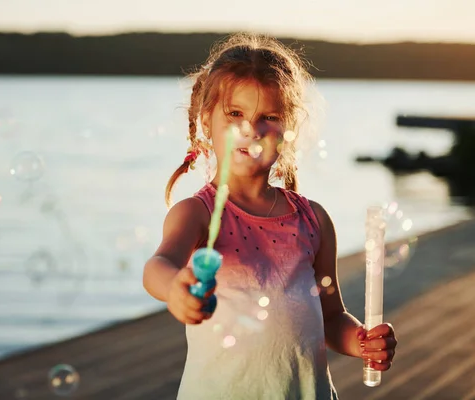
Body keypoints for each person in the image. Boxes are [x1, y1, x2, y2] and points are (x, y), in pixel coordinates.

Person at [142, 33, 397, 399]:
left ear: (288, 130)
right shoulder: (198, 213)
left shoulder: (313, 220)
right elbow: (158, 265)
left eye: (269, 117)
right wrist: (174, 288)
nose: (251, 128)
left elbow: (331, 318)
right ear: (206, 118)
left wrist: (361, 342)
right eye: (235, 114)